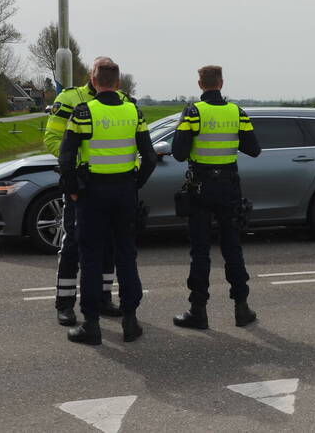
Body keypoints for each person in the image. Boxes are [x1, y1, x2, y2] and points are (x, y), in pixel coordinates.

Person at [58, 59, 156, 345]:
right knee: (126, 255)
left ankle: (91, 325)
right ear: (118, 82)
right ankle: (130, 320)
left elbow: (66, 158)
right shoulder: (133, 112)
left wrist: (73, 189)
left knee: (90, 257)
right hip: (124, 192)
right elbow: (149, 157)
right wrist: (134, 184)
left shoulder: (83, 112)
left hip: (92, 195)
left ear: (93, 79)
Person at [171, 65, 261, 330]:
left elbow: (178, 152)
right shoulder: (236, 112)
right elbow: (253, 149)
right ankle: (241, 308)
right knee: (232, 247)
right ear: (221, 83)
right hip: (230, 187)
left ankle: (198, 311)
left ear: (200, 84)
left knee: (200, 250)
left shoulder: (193, 112)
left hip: (201, 187)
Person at [44, 57, 128, 326]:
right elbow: (52, 139)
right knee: (72, 243)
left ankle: (103, 298)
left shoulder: (123, 101)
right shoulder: (71, 99)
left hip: (111, 187)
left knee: (109, 247)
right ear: (92, 76)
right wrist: (76, 168)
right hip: (81, 185)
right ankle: (65, 304)